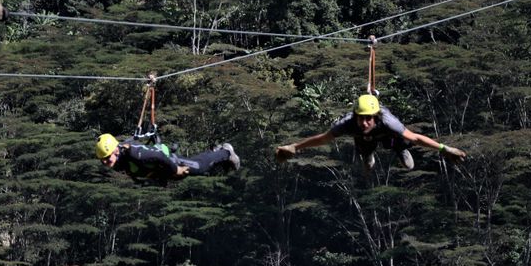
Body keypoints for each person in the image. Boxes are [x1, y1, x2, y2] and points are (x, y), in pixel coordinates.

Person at [275, 94, 466, 171]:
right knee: (365, 146)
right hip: (364, 140)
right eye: (361, 117)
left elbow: (415, 137)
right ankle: (368, 154)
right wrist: (295, 147)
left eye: (368, 118)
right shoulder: (348, 124)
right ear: (355, 115)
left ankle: (400, 150)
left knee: (398, 141)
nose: (364, 121)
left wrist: (444, 148)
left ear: (375, 116)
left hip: (388, 136)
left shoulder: (388, 122)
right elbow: (324, 138)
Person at [96, 134, 240, 183]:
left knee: (199, 166)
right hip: (162, 169)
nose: (105, 162)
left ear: (115, 150)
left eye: (106, 158)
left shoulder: (134, 154)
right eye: (102, 159)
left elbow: (159, 156)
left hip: (169, 161)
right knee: (196, 165)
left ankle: (226, 152)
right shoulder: (118, 158)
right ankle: (215, 153)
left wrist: (176, 169)